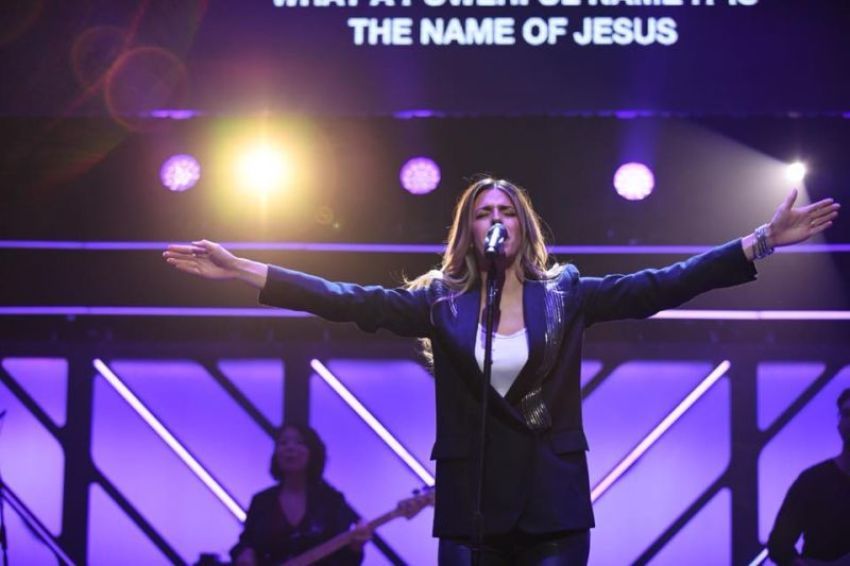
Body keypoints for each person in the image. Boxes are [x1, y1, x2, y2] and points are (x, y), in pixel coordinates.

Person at [165, 177, 840, 565]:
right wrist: (244, 269)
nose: (495, 220)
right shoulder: (440, 302)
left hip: (553, 507)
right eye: (482, 213)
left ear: (523, 226)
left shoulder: (568, 291)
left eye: (505, 211)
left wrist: (760, 241)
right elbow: (350, 302)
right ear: (468, 231)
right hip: (472, 508)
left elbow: (663, 284)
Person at [230, 423, 371, 566]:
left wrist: (356, 547)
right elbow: (246, 542)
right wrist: (246, 552)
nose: (290, 448)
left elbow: (345, 560)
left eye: (299, 442)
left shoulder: (332, 501)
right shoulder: (261, 502)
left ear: (312, 452)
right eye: (283, 443)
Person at [767, 388, 850, 566]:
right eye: (848, 414)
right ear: (839, 424)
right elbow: (778, 545)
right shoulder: (812, 481)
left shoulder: (812, 479)